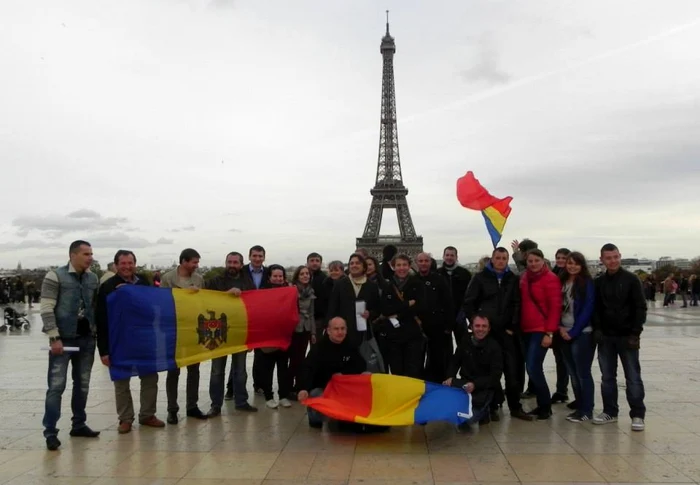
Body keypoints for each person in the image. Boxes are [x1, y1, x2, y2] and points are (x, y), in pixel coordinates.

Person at [40, 240, 100, 451]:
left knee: (82, 384)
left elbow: (96, 306)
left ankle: (79, 424)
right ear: (73, 255)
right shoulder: (55, 276)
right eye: (86, 254)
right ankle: (50, 431)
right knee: (57, 386)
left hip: (86, 339)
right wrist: (54, 337)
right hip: (63, 339)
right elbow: (47, 307)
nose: (90, 257)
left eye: (91, 253)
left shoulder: (93, 278)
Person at [96, 250, 165, 433]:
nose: (127, 267)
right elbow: (101, 319)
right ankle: (125, 418)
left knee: (150, 378)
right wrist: (103, 350)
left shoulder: (144, 283)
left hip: (144, 339)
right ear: (116, 265)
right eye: (123, 263)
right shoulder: (108, 286)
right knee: (121, 380)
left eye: (130, 263)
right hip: (119, 340)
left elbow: (154, 308)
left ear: (135, 264)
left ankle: (147, 414)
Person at [463, 247, 533, 421]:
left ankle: (515, 406)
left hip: (507, 331)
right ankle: (491, 405)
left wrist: (512, 326)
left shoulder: (512, 279)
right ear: (492, 259)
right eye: (498, 258)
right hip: (488, 332)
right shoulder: (479, 278)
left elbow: (517, 303)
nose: (501, 261)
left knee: (512, 371)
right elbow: (469, 302)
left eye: (504, 258)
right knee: (489, 371)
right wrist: (477, 324)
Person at [593, 243, 647, 431]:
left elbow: (640, 307)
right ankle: (610, 411)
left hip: (627, 336)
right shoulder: (599, 282)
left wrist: (635, 332)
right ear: (602, 260)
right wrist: (598, 329)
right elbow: (596, 309)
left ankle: (638, 414)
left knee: (633, 376)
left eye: (615, 257)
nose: (613, 261)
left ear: (620, 256)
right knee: (607, 376)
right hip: (606, 337)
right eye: (608, 258)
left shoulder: (632, 279)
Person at [205, 251, 257, 416]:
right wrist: (226, 295)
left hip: (240, 332)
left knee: (240, 370)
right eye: (230, 262)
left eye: (236, 262)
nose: (232, 265)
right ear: (225, 263)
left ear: (241, 265)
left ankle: (241, 401)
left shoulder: (248, 282)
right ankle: (215, 405)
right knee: (217, 371)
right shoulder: (215, 281)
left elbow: (253, 308)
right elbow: (205, 299)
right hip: (218, 333)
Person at [161, 248, 208, 424]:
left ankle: (192, 405)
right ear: (184, 262)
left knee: (194, 370)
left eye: (197, 262)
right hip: (173, 328)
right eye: (194, 262)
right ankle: (172, 409)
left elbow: (202, 302)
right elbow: (163, 301)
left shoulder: (199, 279)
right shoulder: (168, 278)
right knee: (173, 371)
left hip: (192, 328)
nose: (196, 266)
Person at [297, 317, 367, 428]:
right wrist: (303, 388)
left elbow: (361, 365)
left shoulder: (350, 345)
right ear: (329, 331)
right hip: (322, 388)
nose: (340, 332)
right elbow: (307, 368)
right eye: (336, 329)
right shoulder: (319, 348)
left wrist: (342, 374)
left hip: (343, 390)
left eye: (343, 328)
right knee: (317, 413)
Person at [519, 248, 562, 420]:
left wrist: (549, 333)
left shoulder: (551, 279)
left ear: (543, 261)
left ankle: (545, 405)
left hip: (541, 329)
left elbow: (555, 308)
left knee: (533, 367)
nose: (533, 264)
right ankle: (542, 403)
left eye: (537, 260)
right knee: (532, 367)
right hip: (525, 329)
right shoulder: (524, 278)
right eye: (530, 261)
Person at [444, 314, 503, 430]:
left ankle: (486, 410)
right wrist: (449, 377)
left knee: (465, 421)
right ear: (471, 327)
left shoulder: (495, 347)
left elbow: (495, 376)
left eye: (484, 326)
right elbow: (455, 362)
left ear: (489, 328)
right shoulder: (465, 341)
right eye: (477, 326)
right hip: (465, 385)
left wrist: (475, 384)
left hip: (484, 388)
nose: (480, 329)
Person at [558, 251, 596, 423]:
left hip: (582, 333)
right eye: (570, 263)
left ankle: (587, 410)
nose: (572, 266)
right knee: (573, 373)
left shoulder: (586, 283)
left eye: (576, 263)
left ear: (582, 266)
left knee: (583, 373)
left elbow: (588, 309)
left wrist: (573, 332)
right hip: (563, 331)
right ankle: (580, 405)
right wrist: (559, 327)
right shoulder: (561, 281)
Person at [380, 254, 426, 379]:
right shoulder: (387, 285)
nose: (402, 268)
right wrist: (407, 304)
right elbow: (385, 310)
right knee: (396, 370)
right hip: (394, 335)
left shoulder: (417, 284)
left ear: (410, 266)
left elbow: (420, 307)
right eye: (398, 265)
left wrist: (397, 312)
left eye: (404, 265)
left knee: (413, 370)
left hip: (412, 334)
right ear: (393, 267)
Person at [326, 253, 381, 348]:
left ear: (364, 267)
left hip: (363, 332)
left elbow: (377, 308)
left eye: (357, 263)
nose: (354, 265)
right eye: (351, 263)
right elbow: (332, 308)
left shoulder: (372, 286)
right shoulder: (339, 284)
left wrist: (370, 314)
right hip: (342, 331)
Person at [258, 265, 292, 408]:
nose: (278, 279)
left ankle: (283, 395)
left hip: (283, 335)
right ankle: (268, 396)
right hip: (267, 336)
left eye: (280, 276)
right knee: (267, 368)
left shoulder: (289, 292)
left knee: (283, 368)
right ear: (269, 277)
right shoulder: (261, 293)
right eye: (275, 276)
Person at [415, 252, 452, 383]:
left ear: (430, 263)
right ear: (416, 263)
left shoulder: (440, 279)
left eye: (426, 261)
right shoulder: (412, 280)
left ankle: (436, 385)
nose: (423, 263)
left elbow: (448, 302)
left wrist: (448, 326)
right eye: (421, 261)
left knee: (437, 359)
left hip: (437, 325)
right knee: (417, 359)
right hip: (418, 326)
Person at [287, 266, 316, 402]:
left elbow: (311, 314)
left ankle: (299, 387)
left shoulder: (310, 291)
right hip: (294, 328)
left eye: (307, 274)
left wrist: (313, 332)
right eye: (302, 274)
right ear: (297, 276)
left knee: (301, 359)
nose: (305, 276)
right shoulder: (292, 290)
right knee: (293, 360)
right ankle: (288, 387)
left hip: (306, 328)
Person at [437, 246, 471, 345]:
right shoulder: (436, 273)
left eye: (452, 255)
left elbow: (469, 295)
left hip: (460, 314)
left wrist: (464, 311)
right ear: (443, 256)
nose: (449, 257)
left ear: (456, 257)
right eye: (447, 255)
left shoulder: (465, 274)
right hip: (443, 317)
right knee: (444, 348)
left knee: (463, 346)